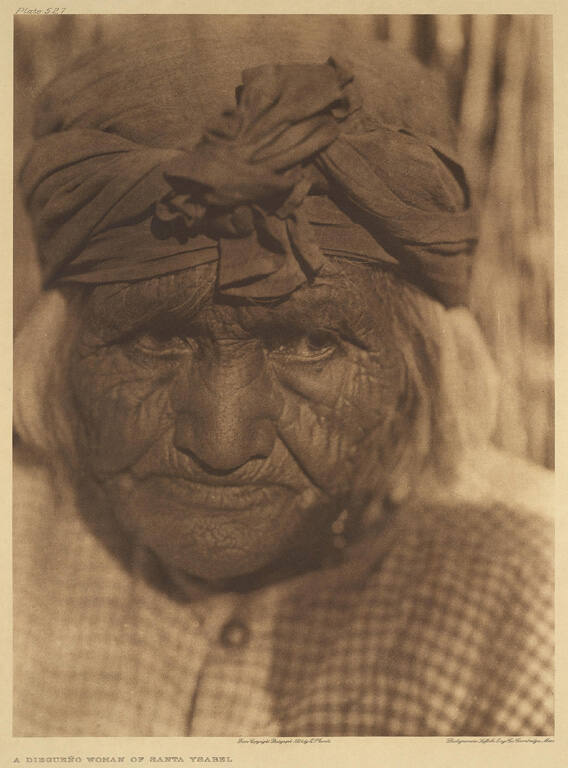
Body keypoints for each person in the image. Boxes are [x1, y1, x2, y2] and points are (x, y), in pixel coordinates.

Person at [13, 28, 553, 737]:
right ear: (58, 349)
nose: (222, 443)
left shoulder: (533, 601)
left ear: (422, 365)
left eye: (310, 343)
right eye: (155, 338)